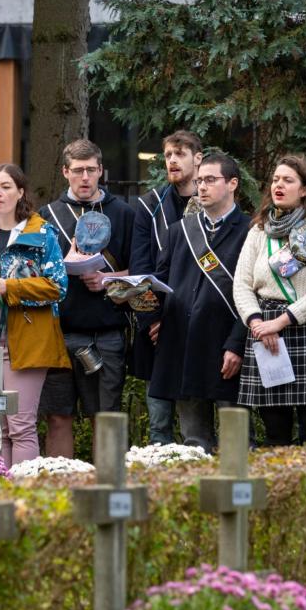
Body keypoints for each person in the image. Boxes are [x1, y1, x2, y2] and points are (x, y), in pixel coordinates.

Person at [0, 164, 69, 466]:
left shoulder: (41, 232)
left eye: (5, 187)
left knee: (20, 425)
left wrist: (10, 286)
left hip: (27, 339)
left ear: (20, 193)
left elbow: (58, 287)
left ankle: (22, 491)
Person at [233, 155, 306, 445]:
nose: (278, 185)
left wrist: (281, 322)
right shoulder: (259, 230)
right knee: (275, 432)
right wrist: (258, 323)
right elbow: (241, 284)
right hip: (264, 331)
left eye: (287, 180)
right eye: (275, 180)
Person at [38, 138, 134, 457]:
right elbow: (33, 274)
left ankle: (105, 485)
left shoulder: (124, 213)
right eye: (78, 170)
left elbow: (143, 271)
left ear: (101, 170)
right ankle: (61, 484)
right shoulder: (47, 215)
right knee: (57, 418)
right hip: (57, 332)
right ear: (65, 172)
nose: (85, 177)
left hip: (105, 332)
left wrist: (108, 279)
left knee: (104, 420)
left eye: (91, 170)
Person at [150, 152, 249, 450]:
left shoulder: (250, 232)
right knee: (194, 444)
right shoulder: (180, 230)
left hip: (226, 344)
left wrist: (237, 344)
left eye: (210, 180)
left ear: (232, 184)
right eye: (199, 181)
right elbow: (161, 282)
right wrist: (150, 314)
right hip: (184, 343)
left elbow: (256, 295)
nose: (202, 187)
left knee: (236, 444)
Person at [130, 130, 201, 444]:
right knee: (159, 426)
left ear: (198, 158)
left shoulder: (211, 203)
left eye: (180, 154)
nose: (172, 160)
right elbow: (139, 270)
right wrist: (152, 321)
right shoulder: (149, 205)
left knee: (195, 428)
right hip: (156, 328)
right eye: (169, 154)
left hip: (196, 325)